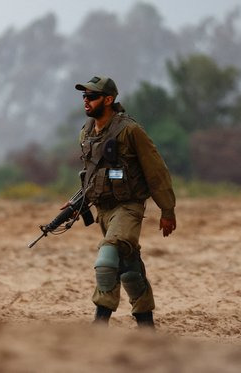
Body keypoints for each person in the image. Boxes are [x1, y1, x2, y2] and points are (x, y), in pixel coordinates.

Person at [75, 75, 176, 328]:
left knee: (107, 260)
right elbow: (90, 174)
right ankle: (146, 326)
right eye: (84, 96)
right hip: (104, 210)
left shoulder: (130, 130)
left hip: (129, 207)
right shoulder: (86, 133)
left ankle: (99, 325)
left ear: (108, 100)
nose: (86, 101)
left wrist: (167, 209)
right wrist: (77, 201)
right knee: (129, 268)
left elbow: (156, 170)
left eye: (92, 96)